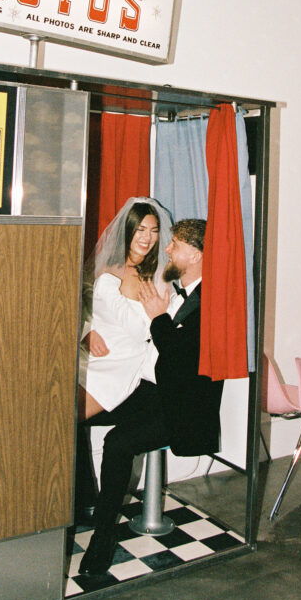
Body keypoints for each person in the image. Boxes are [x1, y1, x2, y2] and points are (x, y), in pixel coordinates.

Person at [78, 218, 224, 577]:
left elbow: (179, 361)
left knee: (117, 443)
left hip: (179, 405)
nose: (167, 248)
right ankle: (84, 503)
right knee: (69, 418)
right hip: (148, 389)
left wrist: (158, 318)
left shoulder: (211, 302)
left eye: (175, 243)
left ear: (196, 253)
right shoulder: (176, 291)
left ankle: (103, 537)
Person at [78, 197, 173, 420]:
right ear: (127, 229)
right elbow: (80, 308)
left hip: (119, 364)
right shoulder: (105, 267)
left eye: (153, 230)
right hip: (86, 356)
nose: (147, 238)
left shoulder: (159, 277)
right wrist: (86, 332)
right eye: (140, 229)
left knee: (66, 420)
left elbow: (153, 329)